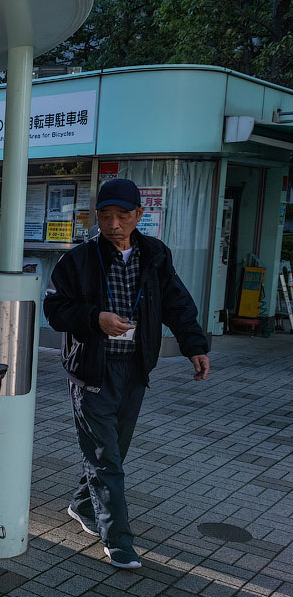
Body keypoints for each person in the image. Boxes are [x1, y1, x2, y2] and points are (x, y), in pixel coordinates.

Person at [44, 179, 210, 569]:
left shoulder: (154, 255)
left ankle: (82, 503)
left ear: (138, 215)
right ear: (97, 217)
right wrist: (94, 318)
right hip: (91, 371)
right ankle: (117, 539)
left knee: (113, 452)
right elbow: (55, 309)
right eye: (105, 216)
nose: (113, 224)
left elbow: (177, 303)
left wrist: (195, 346)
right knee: (106, 459)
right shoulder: (79, 259)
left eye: (122, 215)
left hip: (135, 370)